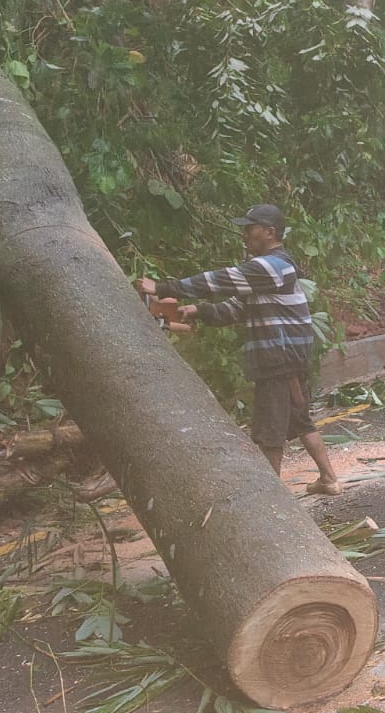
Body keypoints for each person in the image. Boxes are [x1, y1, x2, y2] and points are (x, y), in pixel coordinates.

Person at [136, 204, 341, 495]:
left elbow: (220, 280)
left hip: (277, 357)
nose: (245, 235)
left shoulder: (272, 266)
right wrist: (200, 311)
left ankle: (273, 498)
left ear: (269, 232)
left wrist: (163, 287)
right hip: (288, 357)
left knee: (270, 431)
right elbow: (236, 308)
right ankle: (329, 478)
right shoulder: (269, 271)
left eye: (250, 228)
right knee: (299, 419)